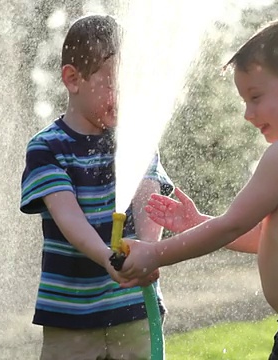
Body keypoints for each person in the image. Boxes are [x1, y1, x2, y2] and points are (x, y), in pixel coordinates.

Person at [117, 16, 278, 359]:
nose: (248, 114)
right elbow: (263, 237)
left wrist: (154, 254)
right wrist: (197, 222)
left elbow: (233, 224)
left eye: (256, 96)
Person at [19, 14, 173, 360]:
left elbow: (151, 202)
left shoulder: (136, 140)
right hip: (70, 318)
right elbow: (68, 218)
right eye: (113, 83)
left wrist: (148, 251)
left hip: (134, 309)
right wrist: (108, 258)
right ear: (73, 79)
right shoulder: (48, 147)